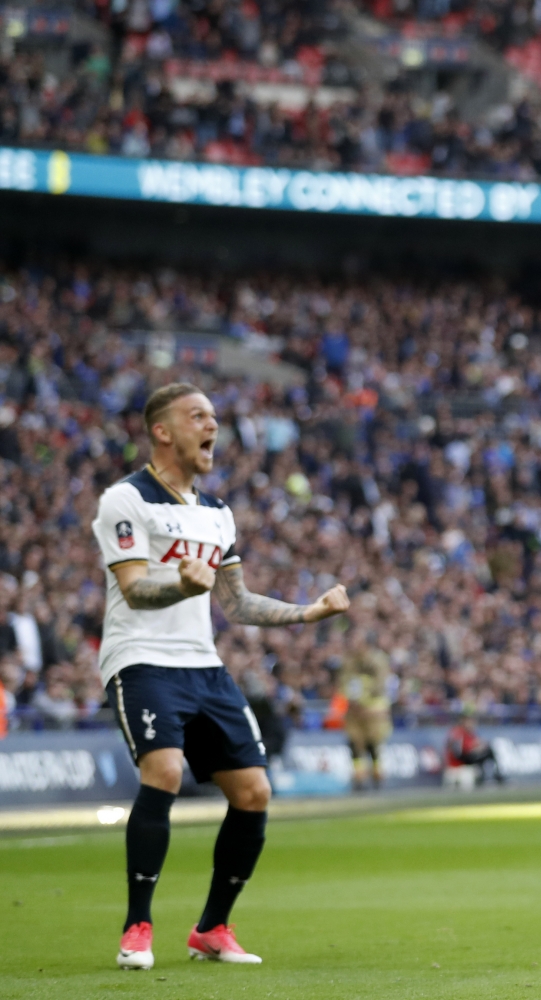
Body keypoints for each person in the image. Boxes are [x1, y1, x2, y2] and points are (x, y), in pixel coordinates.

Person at [94, 383, 350, 970]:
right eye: (199, 416)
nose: (214, 425)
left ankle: (212, 927)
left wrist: (309, 612)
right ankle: (138, 925)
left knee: (254, 792)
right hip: (142, 659)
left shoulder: (216, 514)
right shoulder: (126, 501)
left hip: (203, 665)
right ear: (163, 431)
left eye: (214, 415)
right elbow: (133, 589)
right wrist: (182, 585)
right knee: (164, 769)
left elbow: (235, 604)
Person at [338, 634, 393, 790]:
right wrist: (352, 700)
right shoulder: (349, 660)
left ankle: (377, 776)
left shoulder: (379, 660)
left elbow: (380, 685)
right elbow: (343, 681)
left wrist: (364, 699)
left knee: (373, 743)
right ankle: (359, 777)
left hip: (373, 708)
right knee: (354, 742)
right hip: (354, 708)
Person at [444, 709, 502, 785]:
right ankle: (492, 777)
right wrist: (476, 748)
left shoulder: (467, 732)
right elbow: (460, 753)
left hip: (464, 761)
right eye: (469, 720)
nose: (472, 723)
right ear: (463, 721)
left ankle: (493, 775)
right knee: (486, 753)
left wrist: (478, 746)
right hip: (458, 764)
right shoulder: (458, 732)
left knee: (487, 752)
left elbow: (476, 744)